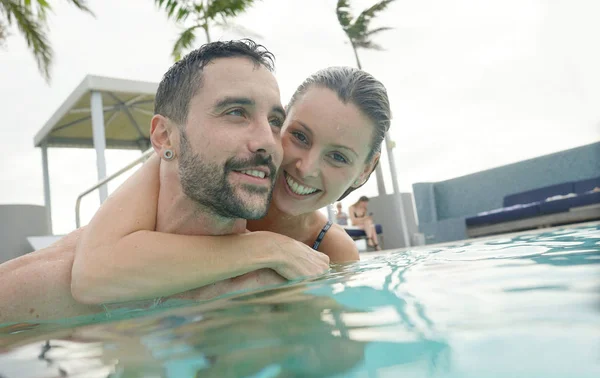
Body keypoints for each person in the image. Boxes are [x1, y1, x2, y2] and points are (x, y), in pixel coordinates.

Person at [0, 41, 392, 321]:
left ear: (364, 170)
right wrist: (266, 246)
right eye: (298, 135)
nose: (305, 167)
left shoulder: (328, 245)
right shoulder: (206, 173)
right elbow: (91, 272)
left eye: (338, 156)